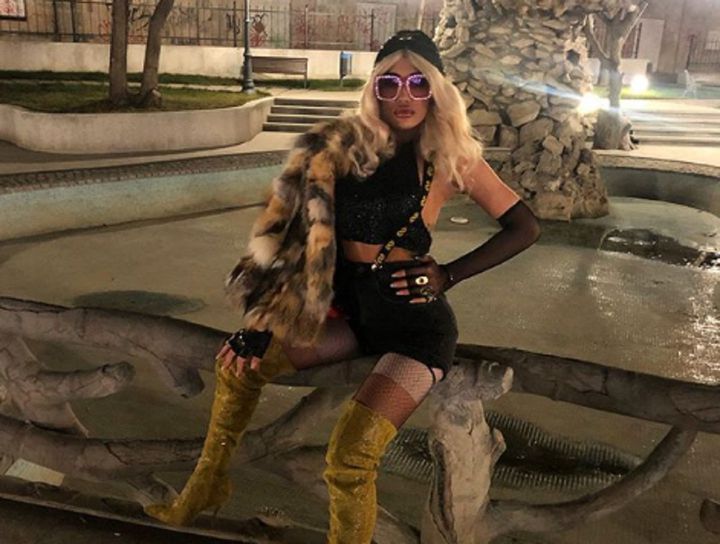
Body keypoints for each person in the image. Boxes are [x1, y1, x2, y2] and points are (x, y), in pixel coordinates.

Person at [145, 29, 540, 543]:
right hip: (350, 316)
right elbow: (289, 236)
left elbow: (524, 227)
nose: (403, 95)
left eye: (418, 83)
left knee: (349, 458)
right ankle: (206, 484)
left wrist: (448, 274)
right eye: (389, 83)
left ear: (436, 90)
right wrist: (261, 322)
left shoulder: (451, 157)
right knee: (239, 366)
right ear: (373, 89)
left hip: (414, 329)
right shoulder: (339, 148)